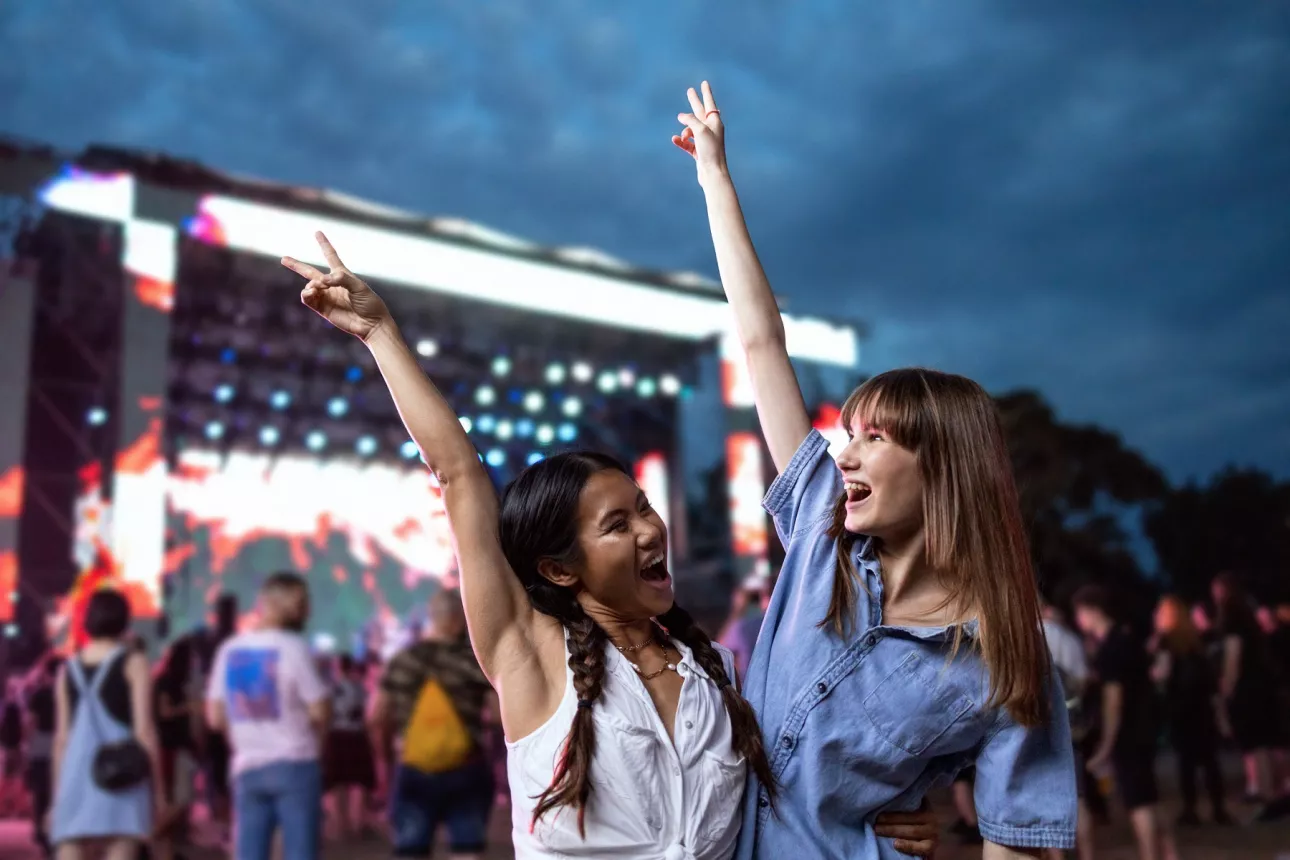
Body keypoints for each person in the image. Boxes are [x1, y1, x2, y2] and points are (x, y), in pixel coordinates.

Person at [282, 234, 939, 859]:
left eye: (645, 509)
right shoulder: (530, 656)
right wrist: (380, 334)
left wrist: (892, 815)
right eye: (618, 525)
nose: (651, 531)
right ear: (558, 569)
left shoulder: (720, 675)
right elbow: (460, 476)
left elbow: (807, 782)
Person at [671, 80, 1076, 859]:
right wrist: (716, 178)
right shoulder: (822, 528)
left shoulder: (1005, 658)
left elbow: (1018, 840)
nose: (841, 452)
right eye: (845, 433)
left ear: (943, 470)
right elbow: (760, 342)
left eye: (874, 438)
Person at [205, 572, 330, 860]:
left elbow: (215, 717)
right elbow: (319, 709)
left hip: (248, 766)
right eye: (303, 603)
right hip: (296, 763)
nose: (307, 611)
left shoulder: (230, 650)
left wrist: (243, 737)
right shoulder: (294, 648)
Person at [369, 589, 494, 860]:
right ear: (457, 620)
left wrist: (386, 760)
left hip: (414, 766)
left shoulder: (402, 661)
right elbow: (498, 715)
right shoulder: (472, 661)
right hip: (467, 766)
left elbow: (376, 716)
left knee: (411, 850)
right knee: (466, 850)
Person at [50, 588, 161, 860]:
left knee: (70, 846)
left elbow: (62, 738)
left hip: (75, 773)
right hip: (122, 773)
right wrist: (159, 792)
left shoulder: (67, 670)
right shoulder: (134, 662)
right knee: (121, 844)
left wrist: (56, 796)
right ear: (124, 620)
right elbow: (144, 731)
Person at [1072, 586, 1175, 860]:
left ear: (1091, 611)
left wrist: (1107, 744)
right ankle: (1170, 854)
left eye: (1079, 613)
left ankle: (1150, 855)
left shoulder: (1112, 648)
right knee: (1149, 797)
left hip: (1129, 733)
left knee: (1137, 803)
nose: (1078, 620)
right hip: (1145, 728)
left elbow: (1113, 700)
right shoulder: (1125, 640)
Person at [1151, 595, 1231, 826]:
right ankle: (1218, 808)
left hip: (1181, 708)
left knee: (1186, 761)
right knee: (1209, 760)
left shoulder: (1167, 641)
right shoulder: (1196, 641)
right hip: (1202, 706)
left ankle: (1190, 809)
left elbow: (1162, 674)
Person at [1211, 572, 1283, 811]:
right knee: (1263, 741)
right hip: (1260, 683)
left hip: (1247, 686)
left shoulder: (1232, 617)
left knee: (1255, 742)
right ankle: (1273, 791)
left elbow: (1233, 653)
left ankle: (1266, 794)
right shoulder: (1248, 617)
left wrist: (1227, 685)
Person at [325, 653, 375, 842]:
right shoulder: (360, 688)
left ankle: (341, 825)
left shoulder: (330, 688)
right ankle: (359, 824)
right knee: (360, 781)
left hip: (336, 737)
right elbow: (367, 714)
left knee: (338, 782)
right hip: (357, 736)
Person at [25, 655, 63, 856]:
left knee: (41, 792)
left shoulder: (39, 694)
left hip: (41, 746)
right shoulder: (68, 692)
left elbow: (31, 722)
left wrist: (27, 745)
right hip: (63, 744)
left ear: (47, 672)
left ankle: (42, 832)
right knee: (59, 789)